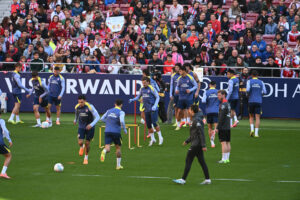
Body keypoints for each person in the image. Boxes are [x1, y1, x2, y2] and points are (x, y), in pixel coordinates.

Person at [173, 105, 211, 185]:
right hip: (197, 143)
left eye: (189, 110)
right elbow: (194, 133)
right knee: (202, 162)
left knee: (188, 160)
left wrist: (204, 145)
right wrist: (187, 141)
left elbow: (201, 133)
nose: (188, 111)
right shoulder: (197, 117)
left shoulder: (196, 120)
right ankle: (207, 179)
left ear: (192, 111)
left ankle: (183, 179)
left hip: (196, 145)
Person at [129, 77, 163, 146]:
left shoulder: (152, 88)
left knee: (154, 123)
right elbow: (138, 97)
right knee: (148, 125)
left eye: (145, 83)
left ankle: (160, 137)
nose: (143, 84)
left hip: (153, 109)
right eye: (143, 83)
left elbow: (157, 97)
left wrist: (155, 105)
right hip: (146, 109)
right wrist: (133, 99)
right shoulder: (142, 89)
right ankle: (153, 139)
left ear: (148, 82)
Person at [100, 99, 127, 170]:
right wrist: (124, 129)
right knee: (118, 148)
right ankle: (118, 165)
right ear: (121, 105)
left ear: (115, 104)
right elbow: (122, 121)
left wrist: (108, 122)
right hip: (116, 132)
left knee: (108, 148)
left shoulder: (108, 110)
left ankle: (104, 151)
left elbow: (102, 118)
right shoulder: (121, 112)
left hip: (107, 131)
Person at [74, 95, 100, 165]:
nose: (80, 104)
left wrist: (91, 124)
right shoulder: (77, 107)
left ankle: (86, 158)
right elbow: (76, 114)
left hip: (90, 127)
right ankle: (81, 147)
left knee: (87, 143)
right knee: (80, 142)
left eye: (82, 102)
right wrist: (75, 120)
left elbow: (98, 117)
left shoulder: (90, 107)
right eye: (79, 102)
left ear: (85, 101)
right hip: (81, 127)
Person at [175, 65, 198, 130]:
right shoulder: (179, 78)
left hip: (189, 97)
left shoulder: (190, 77)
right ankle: (178, 125)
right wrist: (176, 90)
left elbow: (196, 85)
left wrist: (190, 90)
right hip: (181, 97)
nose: (179, 72)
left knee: (190, 111)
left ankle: (191, 123)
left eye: (180, 71)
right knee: (179, 111)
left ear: (184, 71)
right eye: (179, 71)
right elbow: (177, 86)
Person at [246, 70, 267, 138]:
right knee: (257, 117)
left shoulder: (249, 81)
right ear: (257, 75)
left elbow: (248, 90)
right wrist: (260, 95)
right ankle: (256, 133)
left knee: (251, 116)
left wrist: (248, 94)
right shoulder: (261, 82)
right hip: (258, 101)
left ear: (251, 75)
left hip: (251, 101)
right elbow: (265, 91)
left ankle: (252, 130)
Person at [202, 81, 219, 148]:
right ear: (215, 85)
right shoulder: (218, 92)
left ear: (209, 85)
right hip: (216, 110)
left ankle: (212, 142)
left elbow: (203, 101)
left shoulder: (206, 92)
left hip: (209, 111)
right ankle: (213, 137)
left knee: (209, 128)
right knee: (216, 127)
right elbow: (221, 99)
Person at [216, 90, 231, 164]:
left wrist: (217, 127)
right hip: (227, 126)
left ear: (223, 95)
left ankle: (223, 159)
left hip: (223, 126)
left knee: (223, 143)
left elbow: (221, 117)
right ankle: (227, 158)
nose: (218, 96)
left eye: (219, 95)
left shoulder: (223, 104)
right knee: (228, 142)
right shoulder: (228, 104)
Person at [0, 111, 13, 179]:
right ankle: (3, 173)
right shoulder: (1, 121)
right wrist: (9, 140)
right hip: (0, 143)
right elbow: (5, 130)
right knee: (8, 155)